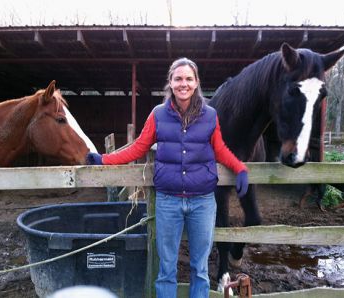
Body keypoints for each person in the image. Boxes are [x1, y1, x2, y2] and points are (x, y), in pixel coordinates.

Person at [87, 57, 248, 298]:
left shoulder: (210, 115)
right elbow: (139, 147)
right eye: (178, 78)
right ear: (170, 83)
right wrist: (104, 159)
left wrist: (240, 168)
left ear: (196, 83)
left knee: (200, 269)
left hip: (202, 201)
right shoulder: (158, 115)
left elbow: (220, 149)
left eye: (189, 79)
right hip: (168, 201)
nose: (183, 83)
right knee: (166, 269)